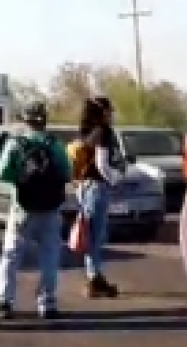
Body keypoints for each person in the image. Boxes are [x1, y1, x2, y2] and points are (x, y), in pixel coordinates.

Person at [0, 101, 71, 320]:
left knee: (10, 256)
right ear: (44, 120)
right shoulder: (55, 145)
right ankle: (47, 303)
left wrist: (22, 179)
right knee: (50, 257)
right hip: (50, 208)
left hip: (22, 209)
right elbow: (67, 173)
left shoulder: (16, 144)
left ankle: (3, 302)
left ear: (25, 121)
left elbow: (2, 174)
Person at [74, 96, 125, 298]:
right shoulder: (103, 133)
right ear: (102, 112)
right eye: (109, 111)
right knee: (95, 237)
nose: (112, 114)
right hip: (97, 187)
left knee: (91, 235)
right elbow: (102, 164)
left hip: (85, 187)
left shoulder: (86, 132)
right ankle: (94, 279)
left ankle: (94, 276)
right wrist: (116, 180)